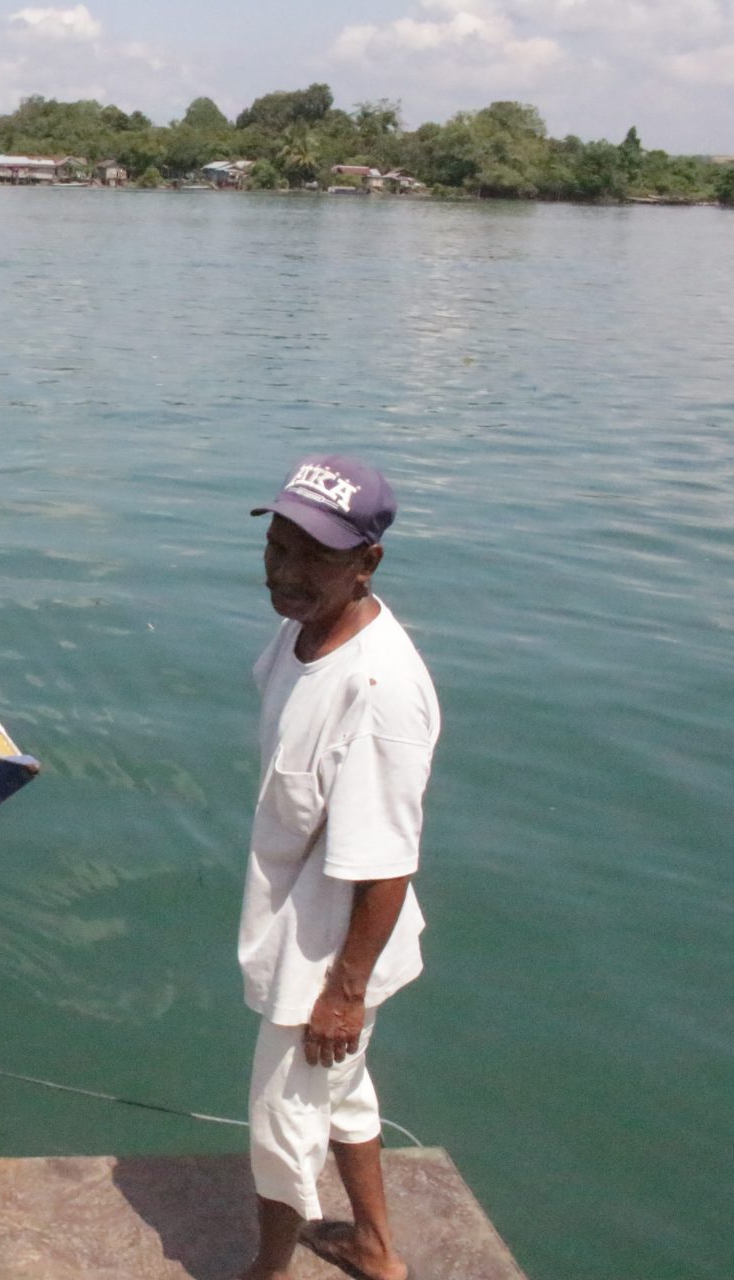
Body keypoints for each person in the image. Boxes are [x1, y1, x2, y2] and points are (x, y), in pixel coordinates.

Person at [237, 455, 439, 1280]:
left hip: (328, 952)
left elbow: (387, 860)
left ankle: (268, 1271)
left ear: (368, 563)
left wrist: (342, 993)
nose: (288, 571)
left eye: (316, 556)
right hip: (305, 920)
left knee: (281, 1125)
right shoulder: (301, 626)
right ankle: (376, 1248)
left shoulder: (381, 691)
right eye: (279, 546)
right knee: (345, 1095)